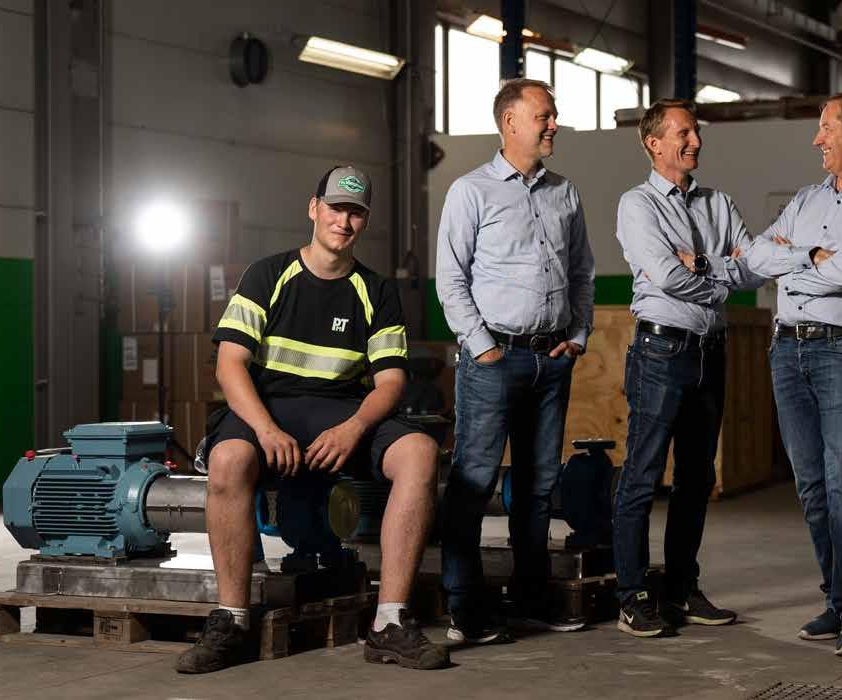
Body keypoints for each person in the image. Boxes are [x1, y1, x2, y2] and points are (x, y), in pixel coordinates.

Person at [176, 165, 447, 673]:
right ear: (314, 208)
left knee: (420, 452)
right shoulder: (267, 275)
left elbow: (390, 383)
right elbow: (229, 364)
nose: (343, 221)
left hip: (341, 410)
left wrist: (354, 428)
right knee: (228, 459)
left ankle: (389, 623)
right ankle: (232, 621)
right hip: (268, 406)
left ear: (365, 220)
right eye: (335, 208)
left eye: (355, 213)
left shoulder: (376, 291)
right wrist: (265, 429)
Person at [702, 93, 842, 656]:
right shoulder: (805, 199)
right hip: (788, 349)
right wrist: (810, 255)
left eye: (825, 128)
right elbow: (755, 260)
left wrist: (791, 261)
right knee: (812, 485)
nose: (816, 139)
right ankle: (837, 600)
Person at [435, 78, 596, 644]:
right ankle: (465, 610)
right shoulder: (471, 191)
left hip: (550, 360)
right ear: (510, 122)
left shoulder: (564, 192)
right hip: (493, 361)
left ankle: (529, 600)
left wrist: (577, 335)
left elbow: (582, 271)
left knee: (537, 486)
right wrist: (483, 346)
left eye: (553, 115)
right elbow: (450, 279)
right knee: (473, 482)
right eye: (544, 116)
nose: (554, 125)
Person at [610, 98, 764, 638]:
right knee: (643, 474)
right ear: (654, 144)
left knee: (697, 478)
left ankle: (679, 590)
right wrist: (722, 280)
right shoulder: (638, 205)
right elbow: (666, 277)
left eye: (696, 132)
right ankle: (632, 596)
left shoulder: (718, 203)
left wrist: (700, 263)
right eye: (683, 133)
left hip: (709, 351)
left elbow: (755, 268)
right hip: (661, 352)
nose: (695, 141)